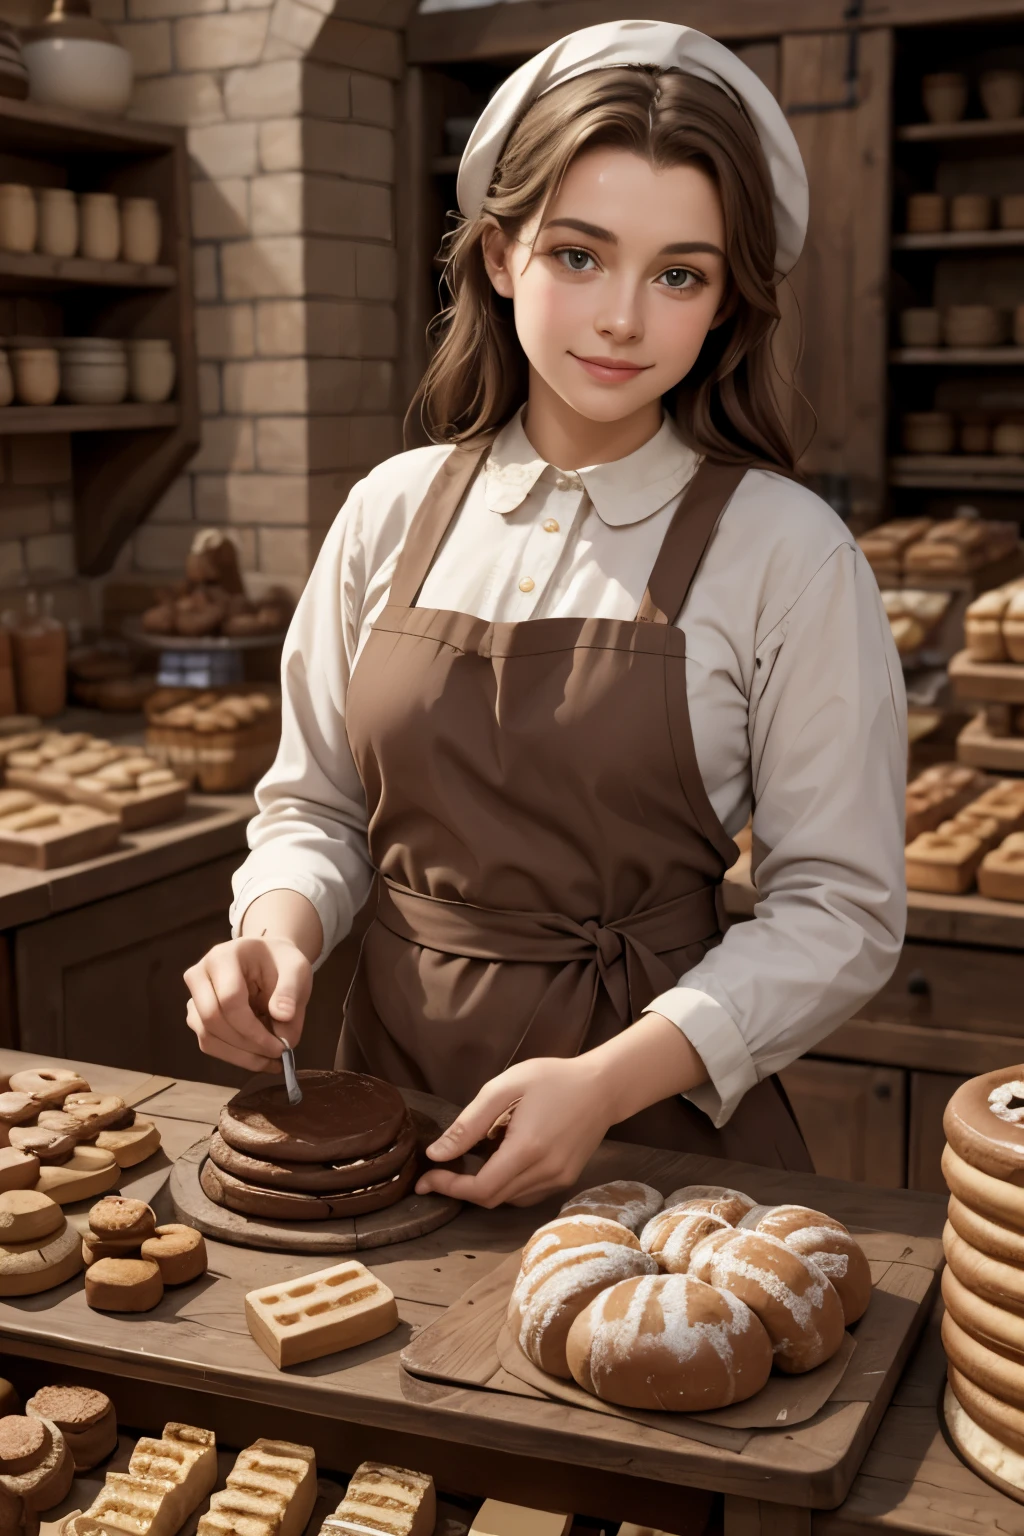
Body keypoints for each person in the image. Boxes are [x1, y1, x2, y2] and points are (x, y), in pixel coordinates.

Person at [184, 20, 906, 1210]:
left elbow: (840, 910)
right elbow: (315, 806)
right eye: (580, 254)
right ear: (503, 253)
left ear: (726, 304)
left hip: (655, 1139)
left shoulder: (787, 552)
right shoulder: (389, 511)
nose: (623, 317)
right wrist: (281, 931)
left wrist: (606, 1082)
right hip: (380, 1109)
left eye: (679, 273)